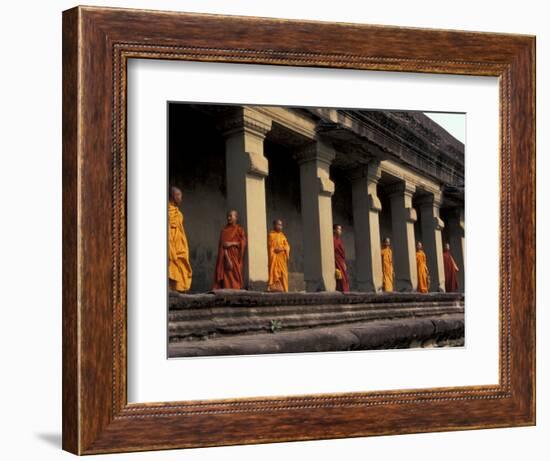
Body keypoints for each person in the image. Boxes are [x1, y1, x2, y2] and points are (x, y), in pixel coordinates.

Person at [213, 210, 247, 289]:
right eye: (228, 216)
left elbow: (243, 243)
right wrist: (228, 259)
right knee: (228, 280)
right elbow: (222, 247)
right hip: (227, 258)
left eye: (231, 216)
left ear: (236, 217)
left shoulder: (239, 230)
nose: (229, 218)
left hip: (236, 258)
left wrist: (232, 243)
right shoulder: (224, 231)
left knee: (237, 278)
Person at [168, 186, 192, 292]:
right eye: (179, 195)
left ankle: (178, 289)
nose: (181, 198)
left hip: (179, 246)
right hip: (170, 244)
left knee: (181, 266)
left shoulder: (179, 214)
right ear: (173, 196)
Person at [267, 219, 291, 292]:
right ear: (274, 225)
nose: (280, 227)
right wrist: (274, 249)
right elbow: (270, 247)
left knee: (284, 275)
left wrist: (282, 249)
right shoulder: (271, 235)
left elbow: (287, 246)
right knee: (274, 273)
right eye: (278, 224)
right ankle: (274, 289)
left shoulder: (283, 236)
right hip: (274, 258)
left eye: (281, 225)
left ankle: (285, 290)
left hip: (282, 260)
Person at [333, 224, 350, 292]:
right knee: (341, 277)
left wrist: (344, 263)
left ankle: (345, 291)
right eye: (339, 229)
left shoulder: (339, 240)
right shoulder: (333, 240)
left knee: (345, 277)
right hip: (337, 261)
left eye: (341, 229)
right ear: (334, 230)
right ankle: (342, 291)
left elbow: (342, 252)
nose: (340, 231)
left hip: (341, 261)